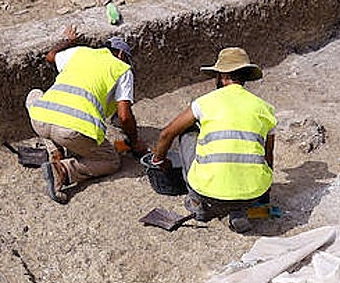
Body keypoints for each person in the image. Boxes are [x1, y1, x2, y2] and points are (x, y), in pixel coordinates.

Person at [149, 47, 276, 234]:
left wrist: (158, 159)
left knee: (187, 131)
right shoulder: (266, 108)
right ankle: (238, 212)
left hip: (207, 191)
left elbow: (166, 134)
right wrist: (262, 194)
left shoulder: (204, 102)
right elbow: (268, 157)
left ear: (223, 76)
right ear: (245, 76)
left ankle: (197, 204)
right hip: (254, 193)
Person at [26, 26, 143, 205]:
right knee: (111, 161)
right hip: (69, 131)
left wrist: (69, 41)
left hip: (40, 120)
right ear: (121, 55)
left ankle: (54, 148)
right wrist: (134, 142)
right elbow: (125, 116)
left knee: (34, 95)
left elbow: (50, 56)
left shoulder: (80, 52)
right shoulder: (123, 69)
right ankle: (63, 170)